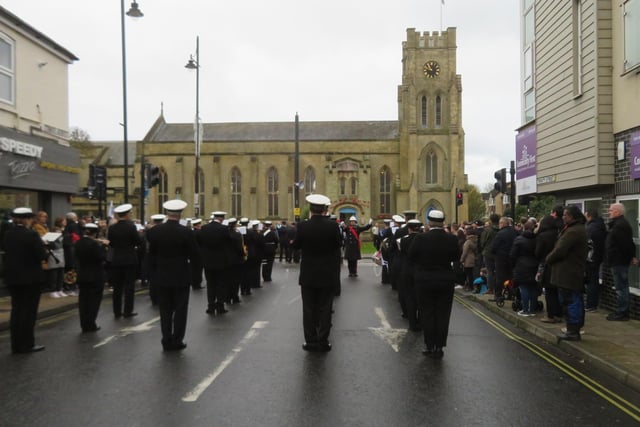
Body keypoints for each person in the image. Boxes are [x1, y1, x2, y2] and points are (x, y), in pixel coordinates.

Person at [146, 200, 200, 351]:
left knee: (165, 310)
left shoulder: (154, 232)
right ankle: (177, 340)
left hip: (161, 275)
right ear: (180, 213)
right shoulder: (186, 232)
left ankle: (166, 339)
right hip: (181, 275)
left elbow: (151, 255)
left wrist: (151, 274)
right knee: (180, 310)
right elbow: (194, 255)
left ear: (167, 213)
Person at [291, 194, 342, 352]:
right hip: (327, 273)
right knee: (325, 308)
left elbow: (296, 246)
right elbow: (337, 245)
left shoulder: (302, 226)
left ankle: (310, 341)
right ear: (325, 209)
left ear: (311, 209)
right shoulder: (332, 226)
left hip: (308, 274)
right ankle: (323, 341)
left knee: (308, 309)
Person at [408, 210, 460, 359]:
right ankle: (439, 346)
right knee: (443, 314)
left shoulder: (420, 238)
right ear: (443, 222)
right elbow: (456, 257)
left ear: (429, 222)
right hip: (445, 280)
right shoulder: (451, 239)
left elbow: (411, 256)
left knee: (427, 313)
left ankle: (429, 345)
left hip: (424, 280)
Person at [3, 207, 48, 354]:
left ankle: (16, 345)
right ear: (28, 219)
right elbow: (41, 256)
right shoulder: (32, 235)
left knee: (16, 311)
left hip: (13, 278)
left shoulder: (7, 234)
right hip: (31, 278)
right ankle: (27, 344)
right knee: (29, 312)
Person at [545, 206, 589, 341]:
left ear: (572, 216)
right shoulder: (577, 229)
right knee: (572, 300)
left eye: (565, 215)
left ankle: (573, 330)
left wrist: (548, 259)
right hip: (571, 272)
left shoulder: (573, 232)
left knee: (570, 301)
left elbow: (560, 250)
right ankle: (573, 328)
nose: (563, 217)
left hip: (568, 273)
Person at [107, 204, 142, 318]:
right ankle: (128, 311)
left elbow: (111, 243)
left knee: (117, 287)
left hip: (117, 260)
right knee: (129, 287)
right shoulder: (131, 226)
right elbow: (137, 241)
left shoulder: (112, 228)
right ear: (127, 214)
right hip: (129, 259)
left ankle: (116, 311)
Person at [605, 203, 637, 321]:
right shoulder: (618, 224)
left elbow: (626, 244)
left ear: (618, 212)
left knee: (621, 288)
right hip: (618, 260)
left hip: (619, 261)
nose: (609, 212)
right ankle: (622, 311)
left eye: (611, 210)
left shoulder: (620, 226)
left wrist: (631, 256)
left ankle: (622, 313)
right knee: (621, 287)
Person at [74, 222, 108, 332]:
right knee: (94, 302)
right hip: (95, 276)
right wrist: (103, 246)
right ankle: (91, 324)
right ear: (95, 233)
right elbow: (101, 257)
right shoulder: (94, 245)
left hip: (82, 275)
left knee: (83, 301)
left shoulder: (78, 243)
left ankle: (84, 324)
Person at [198, 211, 231, 315]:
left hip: (208, 261)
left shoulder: (204, 228)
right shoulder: (224, 229)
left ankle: (211, 306)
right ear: (221, 218)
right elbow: (228, 243)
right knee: (221, 284)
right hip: (221, 261)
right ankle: (220, 306)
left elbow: (201, 243)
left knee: (210, 284)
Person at [535, 215, 562, 323]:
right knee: (556, 290)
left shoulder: (542, 236)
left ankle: (550, 315)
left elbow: (538, 252)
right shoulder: (559, 233)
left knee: (549, 291)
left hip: (546, 265)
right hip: (558, 265)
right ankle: (558, 313)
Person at [510, 219, 539, 317]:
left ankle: (525, 310)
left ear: (523, 227)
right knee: (533, 288)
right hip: (535, 265)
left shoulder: (519, 239)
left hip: (522, 266)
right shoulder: (537, 239)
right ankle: (532, 310)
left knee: (524, 287)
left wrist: (513, 265)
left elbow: (513, 255)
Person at [398, 219, 422, 331]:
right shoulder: (424, 239)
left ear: (409, 228)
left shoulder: (403, 240)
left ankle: (412, 324)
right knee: (421, 298)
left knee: (410, 297)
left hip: (407, 271)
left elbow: (402, 253)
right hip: (421, 270)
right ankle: (421, 323)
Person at [490, 217, 517, 302]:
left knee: (499, 277)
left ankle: (498, 295)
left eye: (500, 223)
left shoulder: (500, 233)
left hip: (501, 258)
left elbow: (494, 247)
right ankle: (511, 293)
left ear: (502, 224)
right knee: (510, 276)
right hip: (512, 258)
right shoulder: (515, 232)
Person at [584, 209, 607, 312]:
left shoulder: (591, 228)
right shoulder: (601, 226)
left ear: (589, 216)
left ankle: (591, 305)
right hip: (598, 257)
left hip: (591, 258)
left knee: (591, 281)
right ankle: (592, 304)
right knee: (594, 280)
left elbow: (587, 244)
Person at [45, 216, 66, 298]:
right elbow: (54, 242)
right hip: (54, 252)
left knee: (61, 271)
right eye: (63, 221)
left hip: (61, 251)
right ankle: (53, 290)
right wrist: (60, 234)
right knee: (54, 272)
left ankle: (59, 289)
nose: (65, 222)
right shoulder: (54, 230)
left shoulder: (64, 230)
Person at [479, 213, 500, 296]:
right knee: (498, 271)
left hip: (488, 253)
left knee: (490, 271)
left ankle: (490, 289)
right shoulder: (501, 229)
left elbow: (482, 242)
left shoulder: (487, 230)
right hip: (498, 253)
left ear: (490, 220)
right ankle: (498, 288)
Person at [460, 225, 478, 291]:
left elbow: (464, 252)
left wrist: (461, 260)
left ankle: (470, 286)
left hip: (468, 259)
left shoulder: (468, 242)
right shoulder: (475, 240)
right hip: (473, 258)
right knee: (471, 273)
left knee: (468, 274)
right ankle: (471, 286)